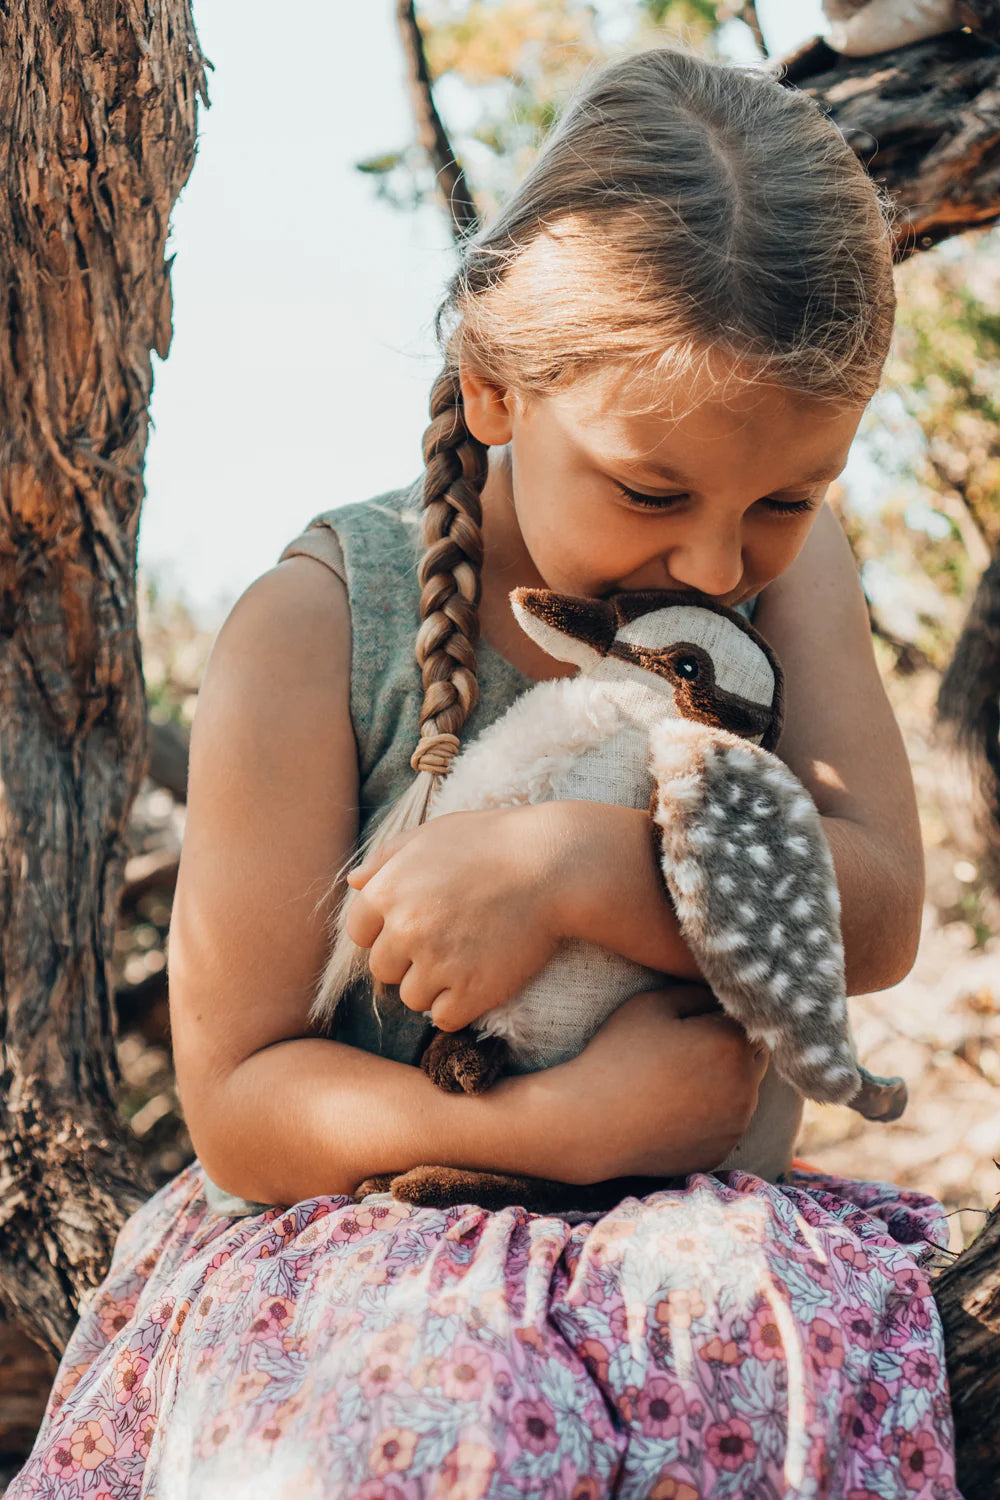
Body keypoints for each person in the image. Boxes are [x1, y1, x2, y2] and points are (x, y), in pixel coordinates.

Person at [8, 46, 958, 1500]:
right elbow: (240, 1100)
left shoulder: (792, 571)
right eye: (649, 490)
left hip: (705, 1248)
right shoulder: (324, 624)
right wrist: (550, 1133)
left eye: (787, 499)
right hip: (373, 1246)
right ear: (496, 386)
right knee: (443, 1432)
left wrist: (574, 871)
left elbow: (877, 919)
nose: (717, 563)